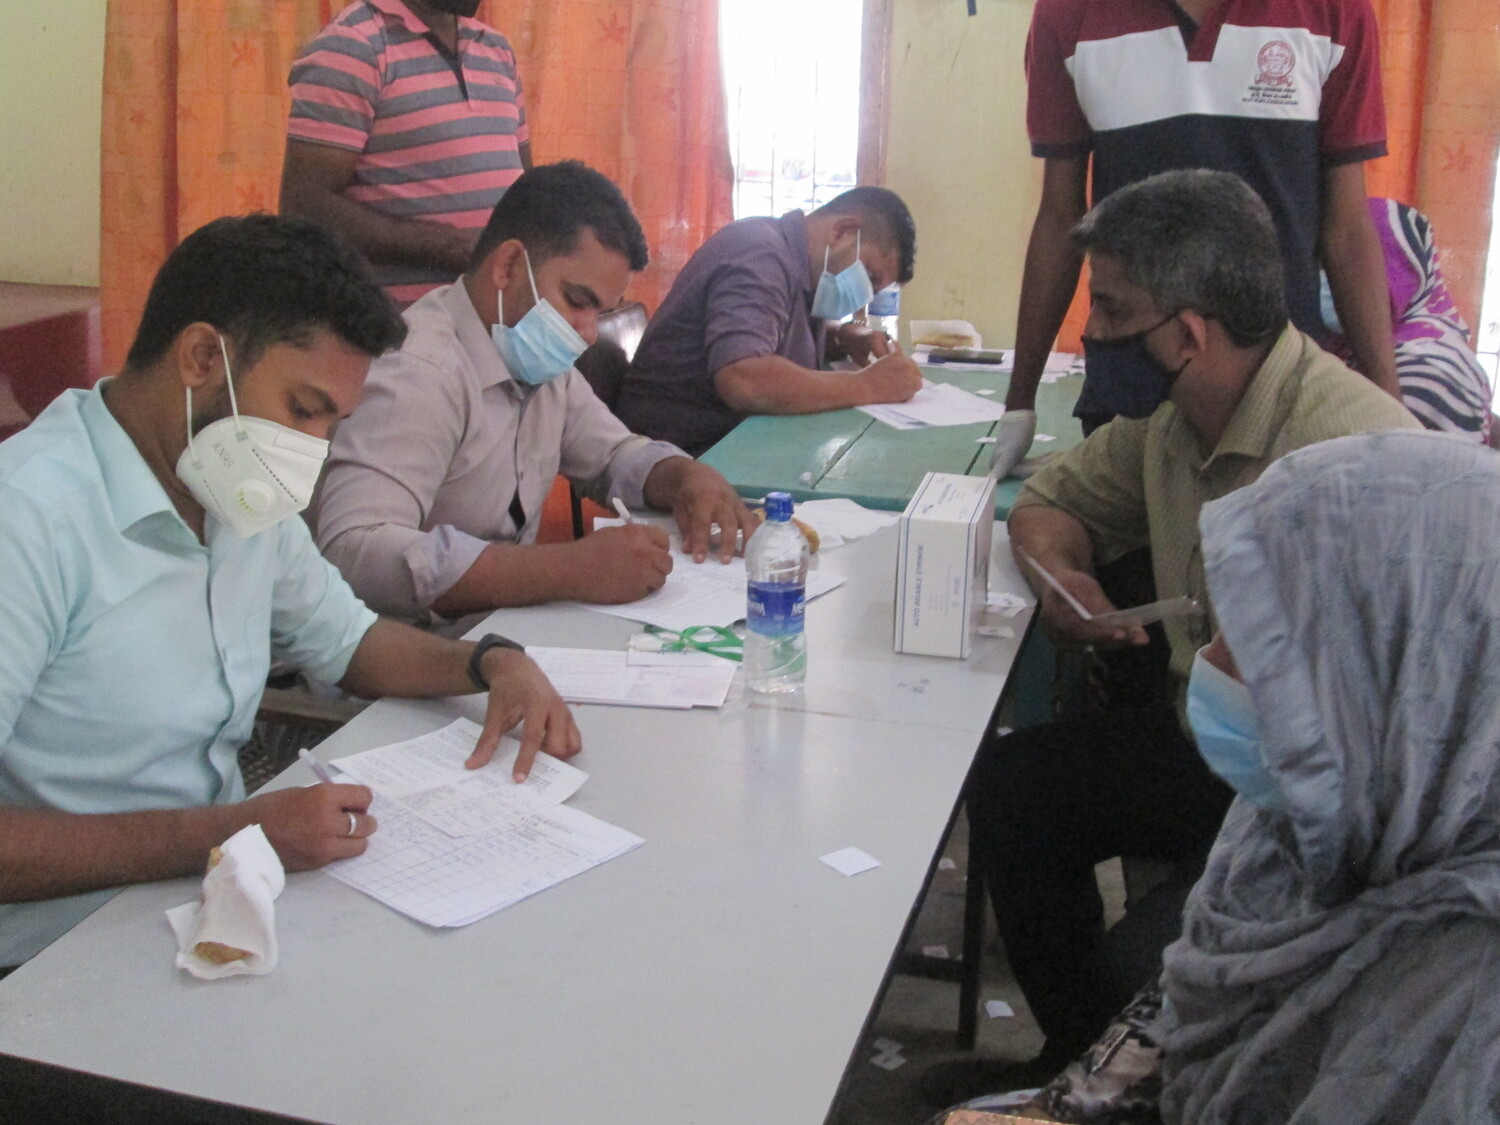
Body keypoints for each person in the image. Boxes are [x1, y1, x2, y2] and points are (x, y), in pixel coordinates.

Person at [920, 169, 1420, 1105]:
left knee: (1145, 968)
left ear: (1188, 334)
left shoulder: (1354, 462)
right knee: (1015, 788)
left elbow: (1404, 748)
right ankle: (1078, 1068)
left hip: (1325, 804)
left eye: (1111, 310)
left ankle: (1125, 1072)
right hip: (1214, 747)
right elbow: (1052, 502)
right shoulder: (1175, 422)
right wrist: (1064, 575)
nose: (1091, 334)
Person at [0, 214, 579, 970]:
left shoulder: (231, 487)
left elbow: (350, 641)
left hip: (213, 899)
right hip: (54, 958)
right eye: (303, 409)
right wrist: (227, 832)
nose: (313, 449)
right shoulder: (30, 519)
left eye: (334, 422)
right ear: (201, 357)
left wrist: (489, 662)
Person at [969, 431, 1500, 1124]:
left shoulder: (1465, 1012)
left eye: (1263, 639)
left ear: (1397, 674)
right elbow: (1152, 1041)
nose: (1212, 661)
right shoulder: (1295, 828)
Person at [310, 161, 755, 628]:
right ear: (507, 267)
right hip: (405, 653)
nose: (587, 333)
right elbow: (355, 551)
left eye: (602, 311)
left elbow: (613, 456)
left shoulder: (536, 358)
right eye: (577, 300)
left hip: (497, 632)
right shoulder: (420, 371)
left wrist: (686, 477)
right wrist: (566, 568)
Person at [989, 0, 1399, 479]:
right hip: (1134, 378)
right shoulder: (1067, 13)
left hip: (1277, 385)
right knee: (1089, 521)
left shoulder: (1335, 10)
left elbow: (1346, 229)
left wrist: (1389, 406)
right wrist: (1020, 403)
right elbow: (1061, 216)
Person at [612, 187, 924, 456]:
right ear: (842, 232)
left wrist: (846, 337)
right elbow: (743, 379)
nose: (862, 296)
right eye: (868, 276)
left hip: (736, 443)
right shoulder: (760, 254)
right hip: (681, 457)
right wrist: (868, 385)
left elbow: (777, 333)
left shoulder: (801, 267)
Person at [281, 0, 531, 307]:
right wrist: (445, 247)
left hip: (493, 320)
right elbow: (305, 206)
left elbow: (527, 189)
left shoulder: (497, 49)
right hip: (399, 325)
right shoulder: (352, 45)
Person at [1321, 197, 1493, 441]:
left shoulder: (1426, 376)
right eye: (1320, 265)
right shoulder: (1344, 350)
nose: (1331, 278)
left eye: (1336, 264)